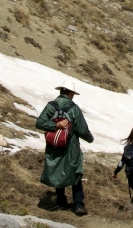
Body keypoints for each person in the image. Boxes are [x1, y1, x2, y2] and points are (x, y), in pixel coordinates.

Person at [36, 82, 94, 216]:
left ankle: (61, 200)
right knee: (75, 172)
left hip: (53, 144)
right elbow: (82, 129)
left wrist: (54, 126)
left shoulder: (51, 106)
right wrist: (90, 139)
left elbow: (39, 123)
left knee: (57, 169)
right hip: (70, 145)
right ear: (70, 93)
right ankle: (78, 205)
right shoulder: (74, 108)